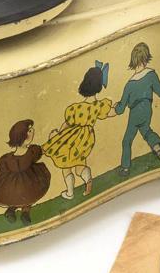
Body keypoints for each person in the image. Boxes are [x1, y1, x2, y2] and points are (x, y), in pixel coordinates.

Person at [42, 64, 113, 199]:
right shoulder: (98, 106)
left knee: (66, 166)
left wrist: (58, 135)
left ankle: (70, 193)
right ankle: (88, 178)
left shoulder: (75, 108)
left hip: (71, 138)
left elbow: (67, 124)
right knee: (80, 164)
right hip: (86, 139)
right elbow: (110, 113)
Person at [113, 42, 160, 174]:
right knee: (146, 131)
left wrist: (116, 107)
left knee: (127, 140)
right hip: (147, 109)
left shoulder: (129, 84)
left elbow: (121, 109)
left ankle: (125, 167)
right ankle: (159, 150)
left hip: (135, 113)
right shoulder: (151, 74)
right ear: (146, 58)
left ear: (133, 61)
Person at [0, 119, 51, 224]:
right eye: (29, 130)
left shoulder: (8, 158)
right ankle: (23, 212)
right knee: (26, 195)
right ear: (23, 136)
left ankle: (15, 211)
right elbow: (44, 149)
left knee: (18, 196)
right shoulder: (31, 152)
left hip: (16, 183)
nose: (33, 131)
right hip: (28, 181)